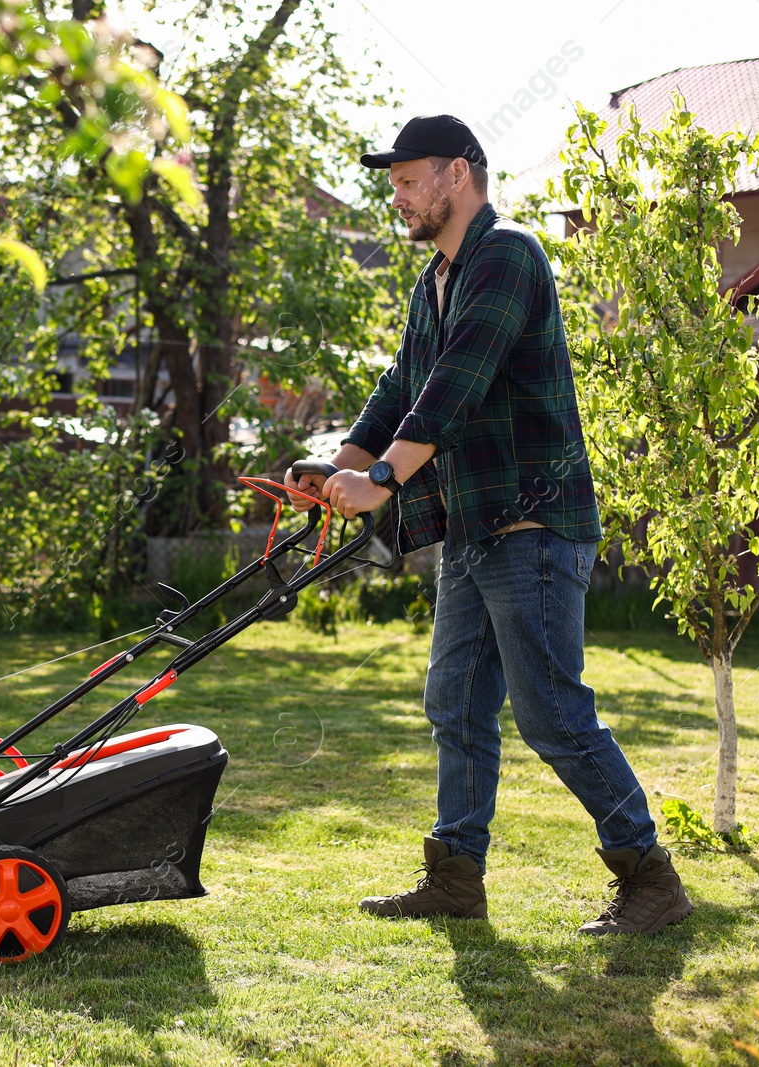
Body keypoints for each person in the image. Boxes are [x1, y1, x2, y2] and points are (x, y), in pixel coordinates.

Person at [285, 115, 691, 935]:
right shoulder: (434, 278)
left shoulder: (508, 255)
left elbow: (459, 384)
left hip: (534, 524)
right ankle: (456, 878)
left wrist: (383, 478)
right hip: (474, 529)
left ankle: (650, 877)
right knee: (456, 704)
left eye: (407, 180)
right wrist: (341, 465)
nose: (395, 197)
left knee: (551, 711)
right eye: (392, 183)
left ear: (458, 175)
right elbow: (403, 385)